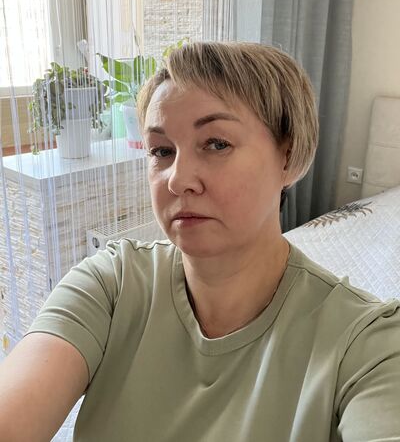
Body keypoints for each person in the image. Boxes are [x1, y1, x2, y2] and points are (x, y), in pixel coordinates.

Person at [0, 42, 399, 442]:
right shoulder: (112, 284)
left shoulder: (367, 344)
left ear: (288, 156)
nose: (177, 180)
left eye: (216, 143)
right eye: (161, 150)